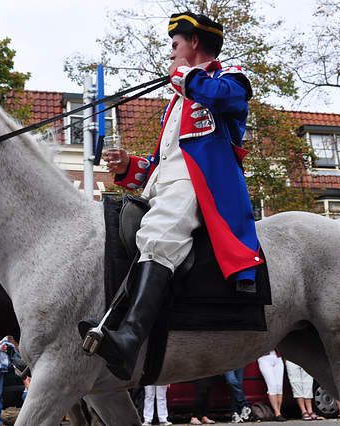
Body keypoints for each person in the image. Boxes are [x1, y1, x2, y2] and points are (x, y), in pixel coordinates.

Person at [79, 10, 260, 382]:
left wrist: (185, 77)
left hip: (200, 187)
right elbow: (166, 161)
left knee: (158, 235)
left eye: (175, 44)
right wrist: (130, 164)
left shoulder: (230, 79)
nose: (171, 52)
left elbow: (222, 98)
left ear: (194, 41)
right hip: (166, 185)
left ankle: (130, 339)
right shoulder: (176, 102)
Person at [258, 349, 286, 422]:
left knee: (279, 386)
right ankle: (277, 412)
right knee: (272, 386)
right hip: (264, 357)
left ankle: (278, 413)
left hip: (277, 357)